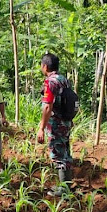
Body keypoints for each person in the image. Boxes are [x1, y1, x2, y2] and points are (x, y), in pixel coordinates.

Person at [37, 53, 74, 196]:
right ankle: (67, 186)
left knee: (59, 154)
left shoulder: (50, 82)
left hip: (56, 124)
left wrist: (41, 128)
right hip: (65, 121)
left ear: (45, 66)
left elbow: (47, 107)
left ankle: (64, 190)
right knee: (65, 152)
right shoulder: (63, 80)